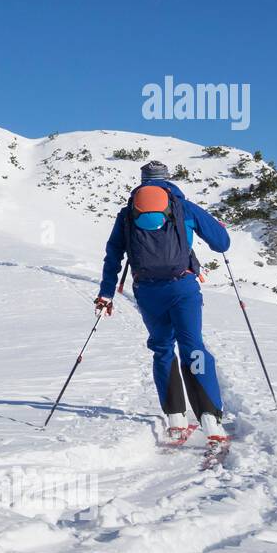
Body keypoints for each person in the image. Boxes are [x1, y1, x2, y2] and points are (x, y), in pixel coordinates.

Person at [95, 160, 231, 445]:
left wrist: (106, 293)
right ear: (168, 180)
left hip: (147, 291)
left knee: (162, 348)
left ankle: (176, 420)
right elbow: (221, 244)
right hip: (182, 286)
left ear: (142, 181)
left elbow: (113, 255)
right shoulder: (184, 207)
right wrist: (217, 227)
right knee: (192, 346)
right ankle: (210, 419)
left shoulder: (127, 214)